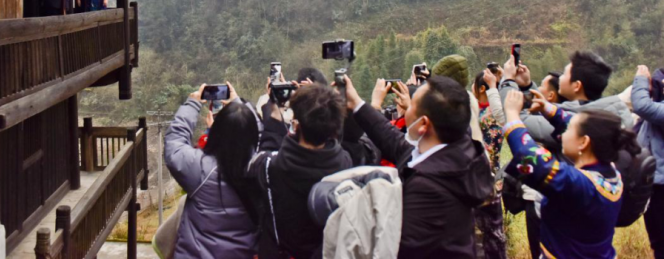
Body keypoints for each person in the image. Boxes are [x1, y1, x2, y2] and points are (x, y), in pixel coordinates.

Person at [346, 75, 493, 258]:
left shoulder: (428, 187)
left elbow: (400, 249)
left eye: (412, 105)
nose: (407, 108)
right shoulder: (457, 154)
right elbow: (392, 140)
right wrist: (357, 103)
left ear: (423, 124)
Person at [502, 89, 640, 259]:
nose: (562, 134)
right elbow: (579, 126)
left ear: (584, 142)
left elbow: (530, 157)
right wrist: (549, 110)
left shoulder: (578, 184)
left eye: (568, 131)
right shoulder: (609, 172)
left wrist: (512, 115)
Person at [248, 83, 351, 259]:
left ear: (296, 126)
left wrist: (273, 110)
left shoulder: (270, 167)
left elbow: (260, 158)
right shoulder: (345, 164)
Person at [165, 82, 261, 258]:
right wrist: (240, 106)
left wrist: (192, 104)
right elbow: (260, 134)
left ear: (216, 131)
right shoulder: (261, 167)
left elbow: (174, 145)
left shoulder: (201, 169)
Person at [500, 51, 633, 146]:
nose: (560, 77)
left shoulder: (578, 121)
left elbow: (519, 119)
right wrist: (527, 86)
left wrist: (508, 81)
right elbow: (540, 115)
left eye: (564, 74)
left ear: (576, 86)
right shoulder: (603, 112)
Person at [471, 71, 508, 259]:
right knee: (494, 231)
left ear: (481, 88)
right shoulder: (492, 112)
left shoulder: (485, 115)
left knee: (486, 232)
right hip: (495, 177)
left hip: (482, 177)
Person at [632, 65, 664, 259]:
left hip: (661, 186)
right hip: (656, 183)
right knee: (658, 241)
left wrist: (641, 81)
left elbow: (642, 106)